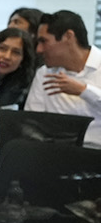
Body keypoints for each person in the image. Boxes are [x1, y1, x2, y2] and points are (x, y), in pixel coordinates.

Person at [25, 9, 101, 149]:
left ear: (68, 36)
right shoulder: (44, 74)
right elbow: (32, 122)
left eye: (44, 41)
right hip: (56, 153)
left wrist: (84, 91)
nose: (39, 50)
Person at [0, 27, 35, 109]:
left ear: (23, 60)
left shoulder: (26, 91)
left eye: (16, 52)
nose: (7, 56)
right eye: (2, 48)